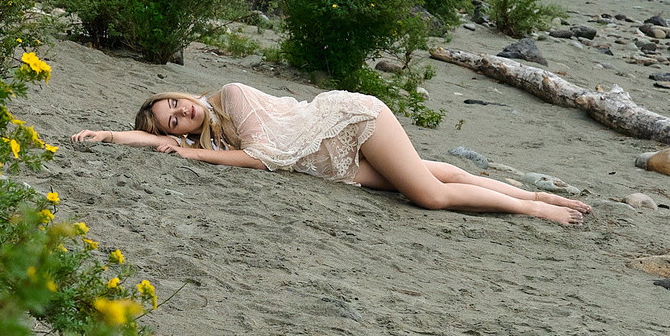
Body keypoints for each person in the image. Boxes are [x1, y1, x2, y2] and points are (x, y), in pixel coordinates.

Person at [71, 86, 589, 224]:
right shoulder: (206, 139)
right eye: (174, 121)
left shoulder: (229, 97)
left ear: (183, 94)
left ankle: (536, 208)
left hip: (352, 122)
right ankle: (529, 190)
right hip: (335, 160)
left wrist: (193, 157)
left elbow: (263, 157)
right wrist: (109, 134)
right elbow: (158, 144)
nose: (181, 114)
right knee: (433, 172)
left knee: (428, 196)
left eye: (176, 104)